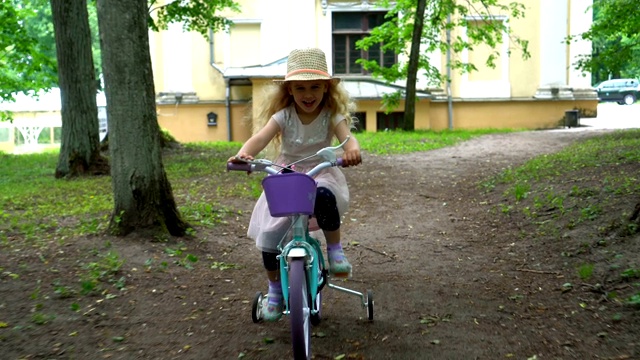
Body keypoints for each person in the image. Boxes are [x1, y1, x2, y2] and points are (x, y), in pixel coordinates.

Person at [228, 47, 362, 321]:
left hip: (320, 171)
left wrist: (352, 151)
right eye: (300, 88)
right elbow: (260, 138)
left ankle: (335, 251)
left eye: (315, 87)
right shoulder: (284, 116)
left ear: (326, 88)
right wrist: (245, 154)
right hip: (286, 173)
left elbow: (347, 139)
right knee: (269, 237)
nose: (308, 94)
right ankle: (275, 290)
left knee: (325, 196)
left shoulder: (331, 115)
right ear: (289, 91)